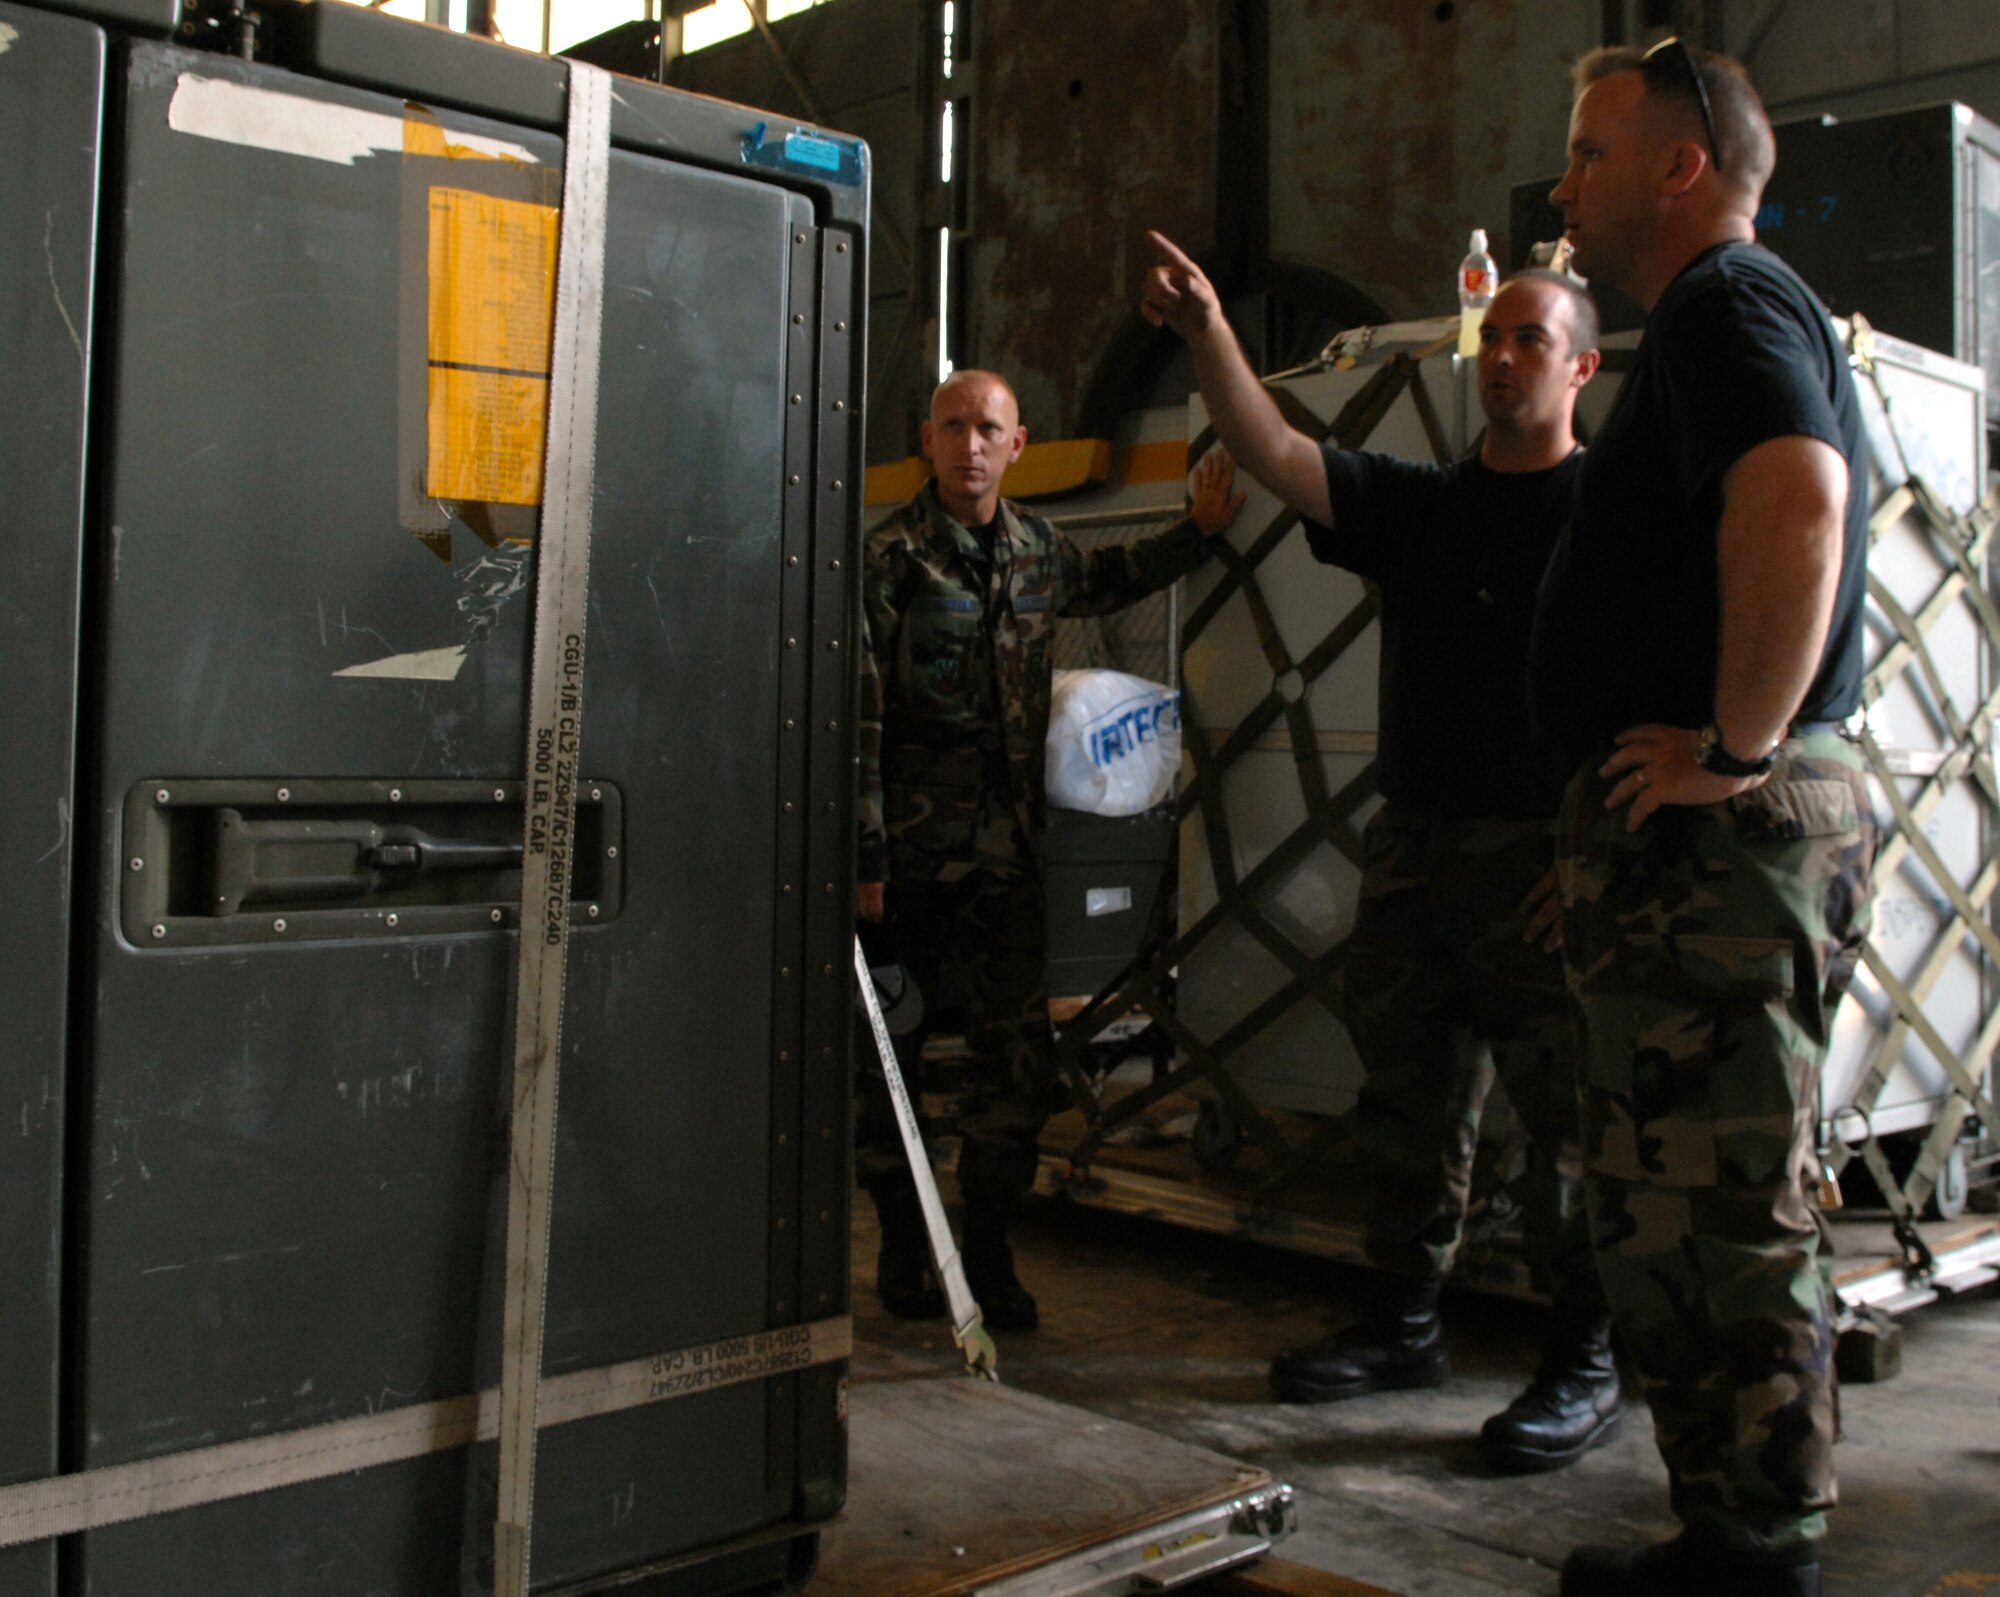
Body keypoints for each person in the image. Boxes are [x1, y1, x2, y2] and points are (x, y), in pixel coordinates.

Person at [1141, 238, 1623, 1471]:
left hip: (1544, 869)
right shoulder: (1427, 506)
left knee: (1563, 1127)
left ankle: (1583, 1358)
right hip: (1414, 853)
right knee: (1406, 1111)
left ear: (1581, 367)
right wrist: (1206, 329)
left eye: (1528, 339)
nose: (1501, 357)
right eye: (1491, 338)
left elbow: (1659, 704)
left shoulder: (1616, 520)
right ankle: (1405, 1324)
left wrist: (1596, 862)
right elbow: (1273, 452)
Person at [1529, 40, 1875, 1597]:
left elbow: (1800, 498)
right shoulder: (1711, 325)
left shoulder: (1730, 300)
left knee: (1724, 1209)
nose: (1563, 182)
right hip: (1691, 846)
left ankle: (1761, 1557)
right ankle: (1729, 1533)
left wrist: (1735, 751)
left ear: (1681, 167)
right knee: (1675, 1200)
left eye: (1593, 153)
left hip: (1726, 836)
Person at [855, 369, 1244, 1331]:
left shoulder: (1037, 550)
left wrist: (1197, 529)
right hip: (904, 871)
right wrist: (863, 859)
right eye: (953, 427)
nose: (970, 445)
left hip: (1009, 868)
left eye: (987, 428)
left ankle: (986, 1247)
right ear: (927, 440)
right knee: (887, 1072)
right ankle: (909, 1244)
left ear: (1017, 443)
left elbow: (1116, 576)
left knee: (1014, 1069)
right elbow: (850, 718)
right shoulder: (889, 560)